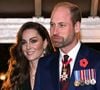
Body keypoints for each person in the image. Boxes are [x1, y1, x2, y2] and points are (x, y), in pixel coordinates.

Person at [34, 2, 100, 90]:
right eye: (52, 25)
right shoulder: (44, 64)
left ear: (76, 27)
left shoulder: (96, 61)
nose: (54, 32)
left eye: (62, 25)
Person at [1, 22, 54, 90]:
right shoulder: (18, 74)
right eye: (24, 42)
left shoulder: (57, 71)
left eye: (33, 41)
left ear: (45, 43)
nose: (28, 47)